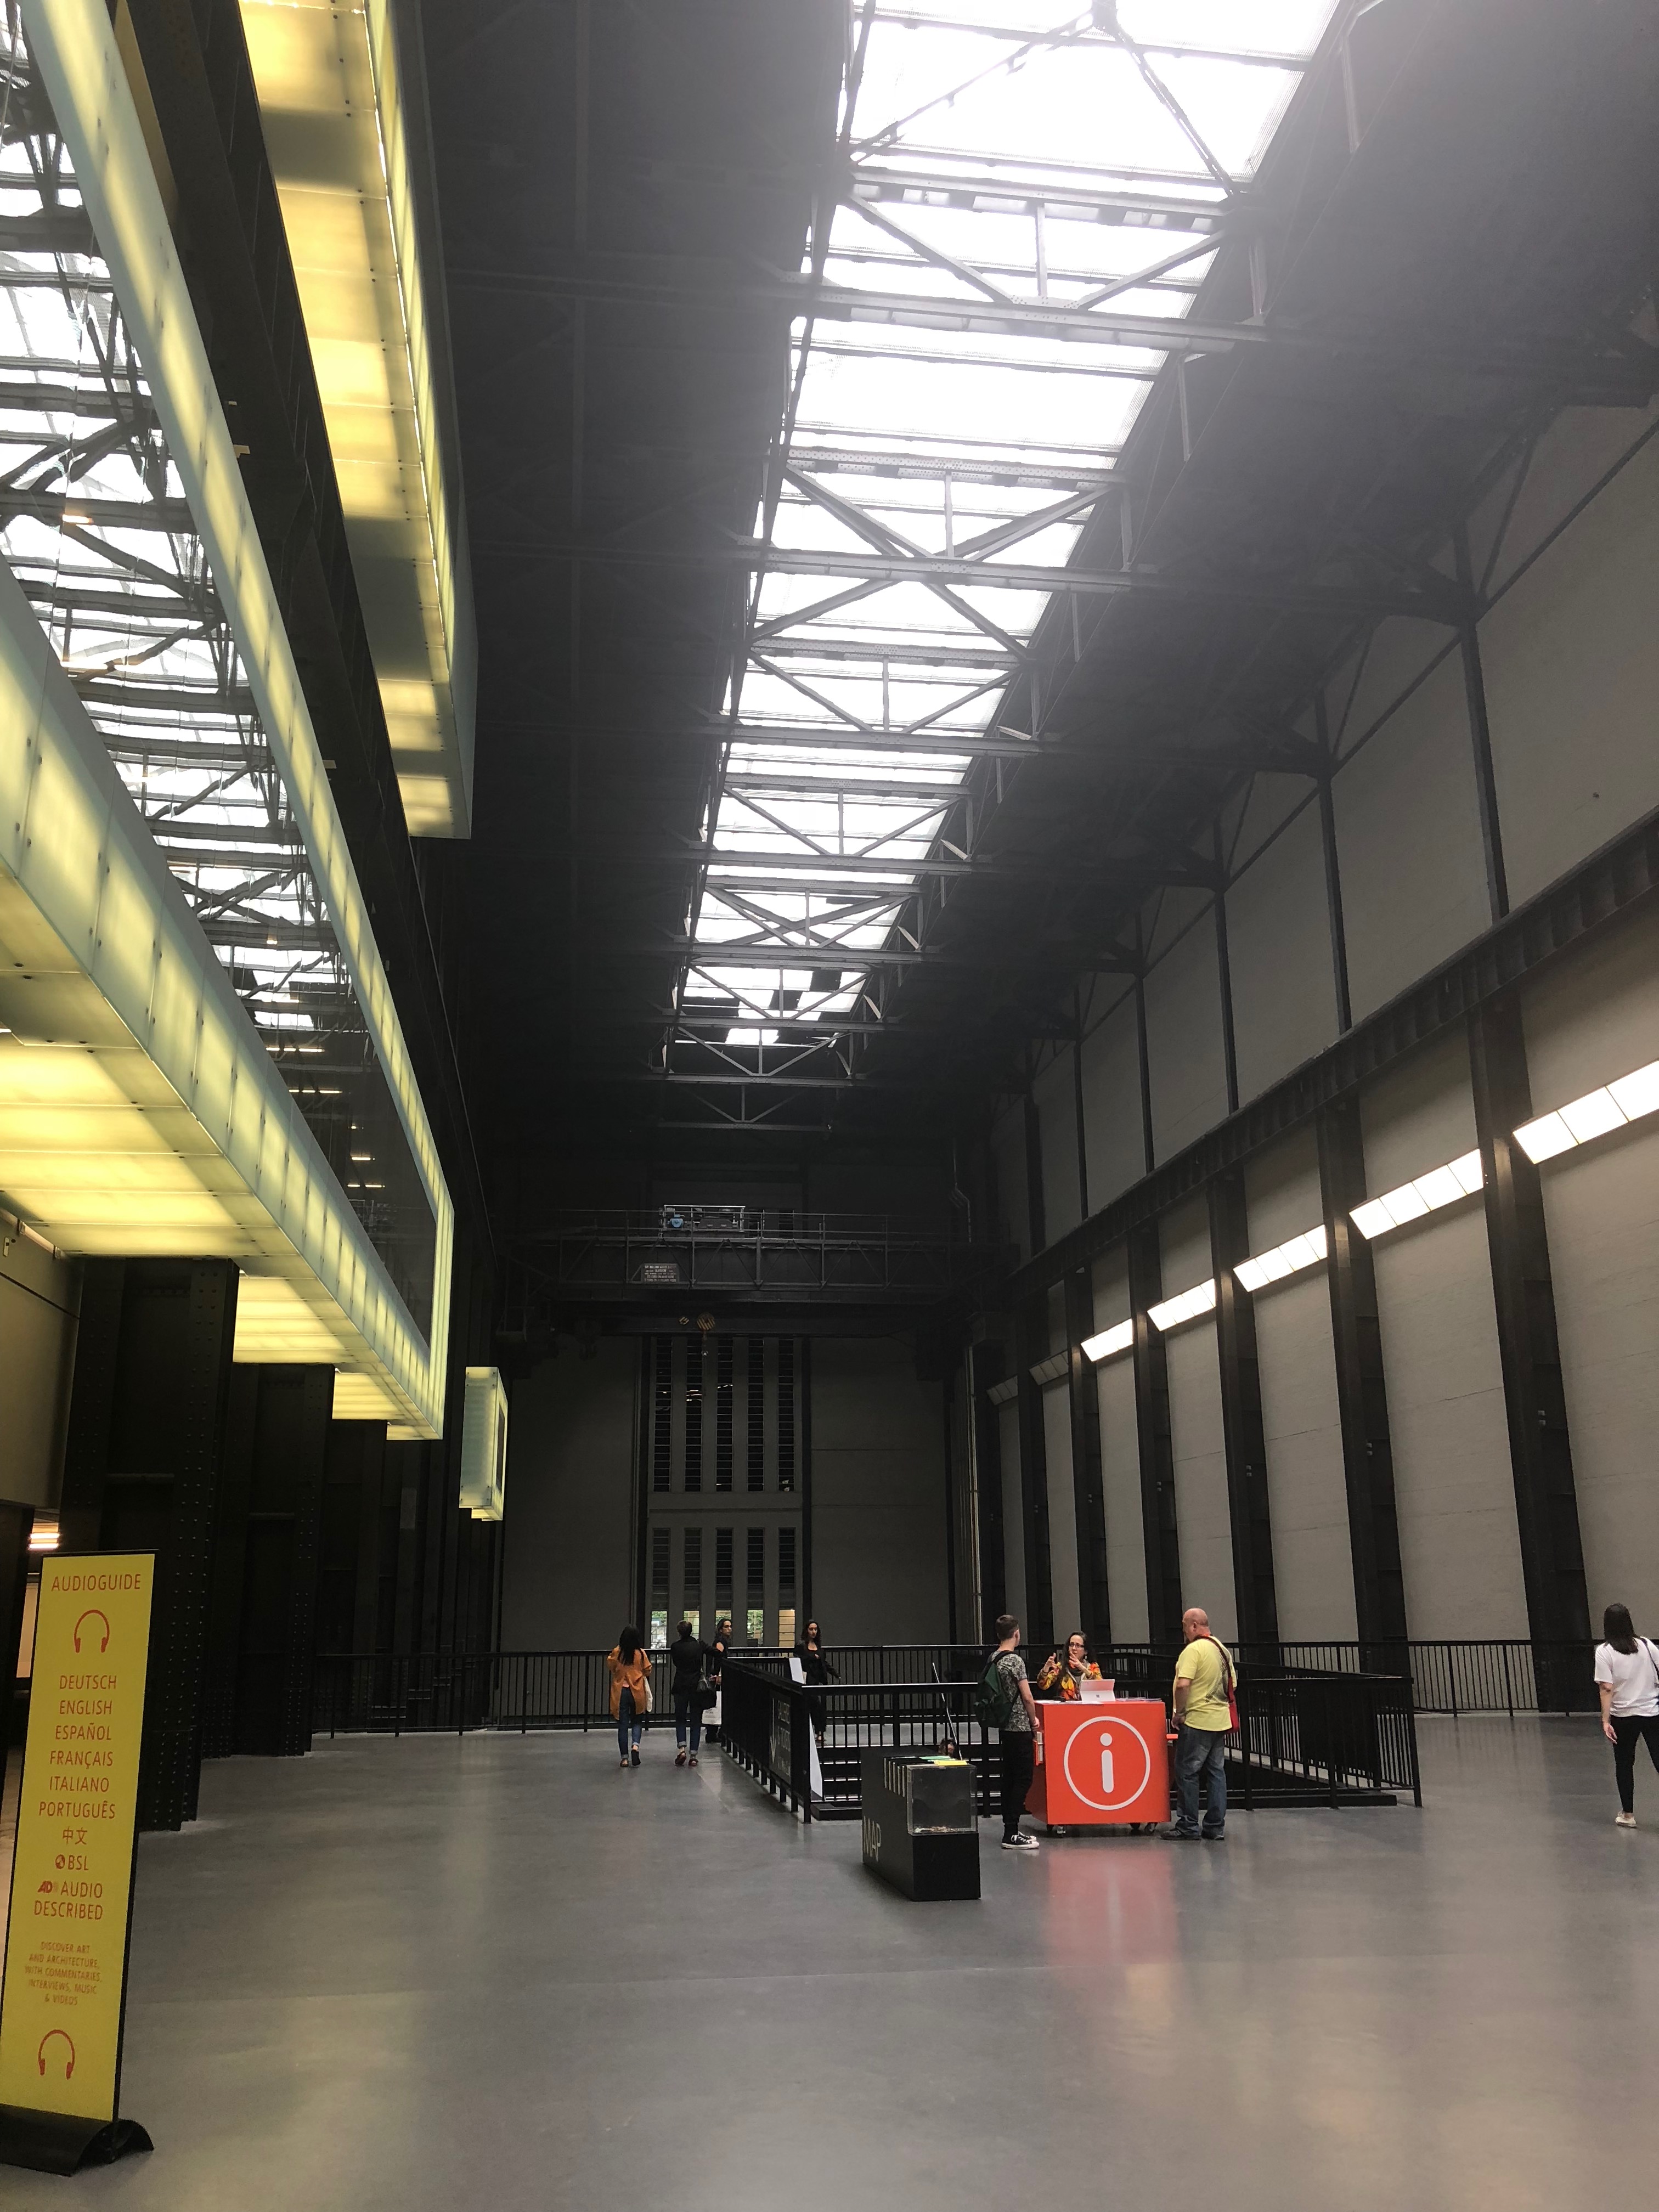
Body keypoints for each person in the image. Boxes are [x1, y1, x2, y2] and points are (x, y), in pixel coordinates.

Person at [1168, 1606, 1234, 1841]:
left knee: (1187, 1772)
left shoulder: (1193, 1650)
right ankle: (1215, 1827)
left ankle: (1188, 1825)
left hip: (1197, 1720)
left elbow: (1183, 1684)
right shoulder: (1222, 1649)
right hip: (1220, 1720)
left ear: (1194, 1626)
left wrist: (1179, 1713)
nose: (1184, 1631)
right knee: (1216, 1773)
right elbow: (1233, 1684)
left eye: (1185, 1626)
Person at [1594, 1601, 1659, 1827]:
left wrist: (1605, 1720)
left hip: (1623, 1716)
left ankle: (1628, 1815)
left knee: (1624, 1764)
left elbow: (1606, 1688)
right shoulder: (1647, 1645)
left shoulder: (1604, 1652)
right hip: (1652, 1712)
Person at [986, 1613, 1041, 1852]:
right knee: (1024, 1778)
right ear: (1016, 1634)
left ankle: (1009, 1827)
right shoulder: (1015, 1661)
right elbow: (1027, 1696)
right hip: (1019, 1727)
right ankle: (1012, 1832)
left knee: (1009, 1778)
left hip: (1005, 1726)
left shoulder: (994, 1658)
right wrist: (1033, 1720)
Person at [607, 1627, 651, 1769]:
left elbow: (611, 1666)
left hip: (621, 1692)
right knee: (637, 1721)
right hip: (637, 1692)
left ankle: (624, 1759)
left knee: (623, 1725)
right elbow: (648, 1670)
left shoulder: (617, 1652)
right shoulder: (641, 1653)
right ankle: (635, 1747)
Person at [668, 1619, 708, 1768]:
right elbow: (716, 1653)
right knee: (696, 1720)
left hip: (680, 1685)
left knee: (680, 1718)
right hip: (696, 1687)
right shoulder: (699, 1645)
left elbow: (676, 1663)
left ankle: (682, 1749)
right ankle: (694, 1756)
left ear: (679, 1632)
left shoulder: (675, 1647)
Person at [1036, 1631, 1102, 1701]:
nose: (1074, 1648)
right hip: (1067, 1706)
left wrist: (1084, 1669)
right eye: (1071, 1645)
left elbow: (1101, 1687)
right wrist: (1046, 1668)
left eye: (1078, 1646)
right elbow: (1043, 1685)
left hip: (1088, 1705)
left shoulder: (1093, 1667)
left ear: (1085, 1651)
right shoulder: (1061, 1667)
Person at [705, 1617, 731, 1745]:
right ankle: (713, 1733)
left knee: (717, 1704)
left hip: (716, 1676)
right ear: (721, 1629)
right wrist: (718, 1675)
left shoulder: (721, 1641)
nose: (729, 1629)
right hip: (718, 1677)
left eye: (730, 1626)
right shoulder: (720, 1642)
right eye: (726, 1627)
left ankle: (713, 1732)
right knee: (717, 1703)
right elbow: (718, 1659)